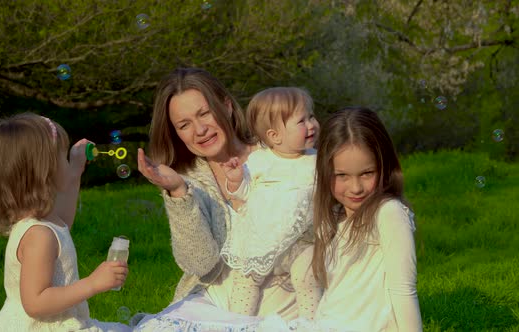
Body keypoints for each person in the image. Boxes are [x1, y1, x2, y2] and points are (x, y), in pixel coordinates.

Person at [134, 68, 316, 331]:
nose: (200, 130)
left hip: (287, 291)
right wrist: (178, 192)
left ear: (227, 106)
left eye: (204, 113)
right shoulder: (188, 179)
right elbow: (201, 265)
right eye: (184, 125)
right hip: (217, 299)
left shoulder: (278, 152)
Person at [278, 107, 423, 331]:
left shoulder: (388, 213)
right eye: (342, 175)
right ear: (326, 172)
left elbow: (403, 291)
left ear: (384, 166)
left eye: (367, 173)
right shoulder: (334, 217)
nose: (355, 188)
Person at [0, 112, 131, 331]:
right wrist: (93, 283)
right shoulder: (39, 236)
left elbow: (64, 222)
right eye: (63, 157)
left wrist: (75, 167)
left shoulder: (42, 222)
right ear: (46, 172)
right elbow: (36, 302)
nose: (66, 162)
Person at [219, 87, 322, 320]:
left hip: (300, 242)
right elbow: (243, 193)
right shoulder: (260, 160)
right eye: (301, 121)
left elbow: (329, 195)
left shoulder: (317, 161)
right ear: (275, 136)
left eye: (312, 116)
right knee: (245, 281)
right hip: (260, 243)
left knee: (308, 275)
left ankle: (310, 323)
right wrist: (236, 180)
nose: (311, 125)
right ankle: (238, 323)